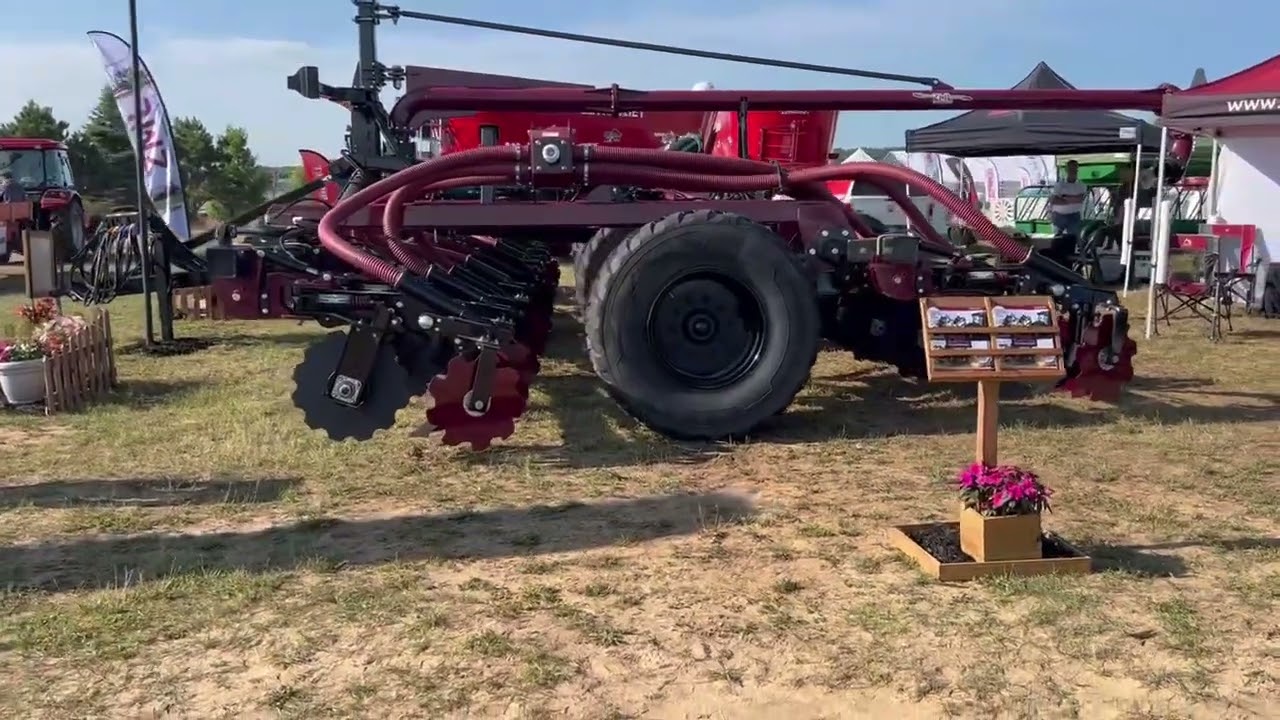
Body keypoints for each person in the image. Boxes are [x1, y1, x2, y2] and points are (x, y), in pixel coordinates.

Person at [1048, 160, 1087, 237]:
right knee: (1056, 239)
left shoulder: (1082, 185)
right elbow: (1053, 200)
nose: (1073, 171)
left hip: (1074, 216)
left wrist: (1064, 197)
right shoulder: (1059, 185)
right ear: (1066, 170)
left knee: (1072, 239)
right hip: (1059, 216)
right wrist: (1073, 199)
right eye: (1070, 169)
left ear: (1077, 169)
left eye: (1074, 168)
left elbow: (1080, 200)